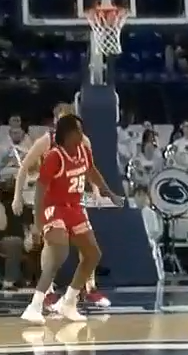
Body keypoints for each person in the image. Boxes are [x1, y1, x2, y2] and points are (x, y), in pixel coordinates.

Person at [21, 113, 123, 325]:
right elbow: (40, 190)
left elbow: (92, 172)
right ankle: (35, 305)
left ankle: (68, 302)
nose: (81, 133)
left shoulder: (84, 151)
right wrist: (38, 223)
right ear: (67, 134)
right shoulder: (54, 156)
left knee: (93, 254)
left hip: (75, 207)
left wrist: (109, 193)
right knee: (59, 253)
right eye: (77, 130)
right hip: (55, 208)